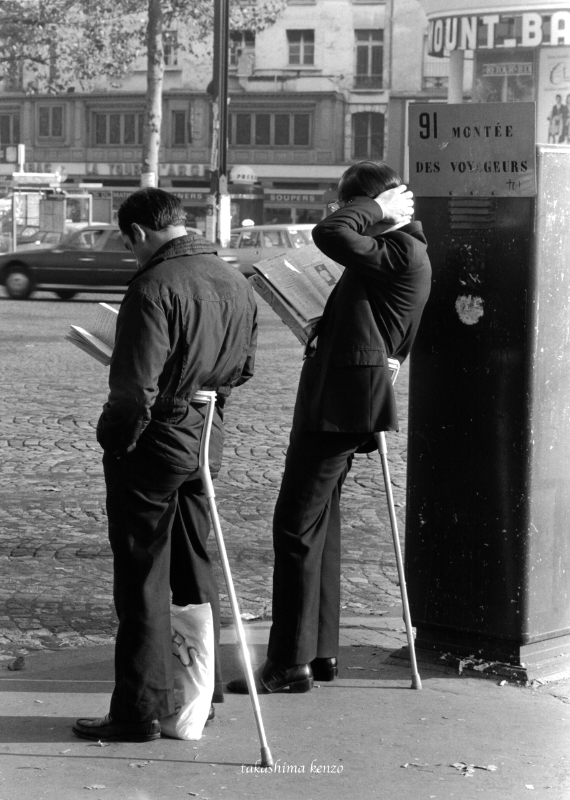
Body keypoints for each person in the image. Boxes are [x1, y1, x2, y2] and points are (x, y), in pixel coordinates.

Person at [227, 161, 431, 695]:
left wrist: (377, 207)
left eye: (349, 203)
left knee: (295, 526)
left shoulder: (399, 249)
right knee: (320, 527)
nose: (341, 213)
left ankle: (289, 662)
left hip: (340, 403)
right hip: (343, 396)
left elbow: (330, 233)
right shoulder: (395, 254)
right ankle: (318, 654)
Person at [73, 188, 257, 741]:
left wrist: (115, 442)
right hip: (206, 436)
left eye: (129, 244)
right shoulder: (233, 279)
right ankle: (199, 698)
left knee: (143, 577)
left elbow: (133, 393)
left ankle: (140, 710)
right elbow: (244, 368)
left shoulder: (153, 285)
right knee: (195, 565)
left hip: (156, 442)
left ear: (137, 234)